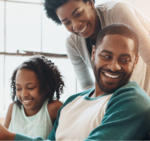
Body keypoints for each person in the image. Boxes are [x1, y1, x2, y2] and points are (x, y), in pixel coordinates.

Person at [1, 24, 150, 141]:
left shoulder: (133, 101)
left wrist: (8, 137)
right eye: (106, 56)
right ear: (93, 53)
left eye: (124, 60)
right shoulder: (72, 102)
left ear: (135, 61)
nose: (114, 66)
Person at [44, 0, 150, 94]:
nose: (76, 25)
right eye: (67, 22)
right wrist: (100, 104)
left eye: (78, 13)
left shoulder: (117, 11)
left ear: (90, 3)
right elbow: (87, 85)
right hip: (121, 101)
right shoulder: (72, 44)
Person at [3, 55, 64, 139]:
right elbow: (3, 137)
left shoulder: (53, 108)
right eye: (18, 88)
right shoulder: (13, 108)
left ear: (46, 87)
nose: (23, 94)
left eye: (30, 87)